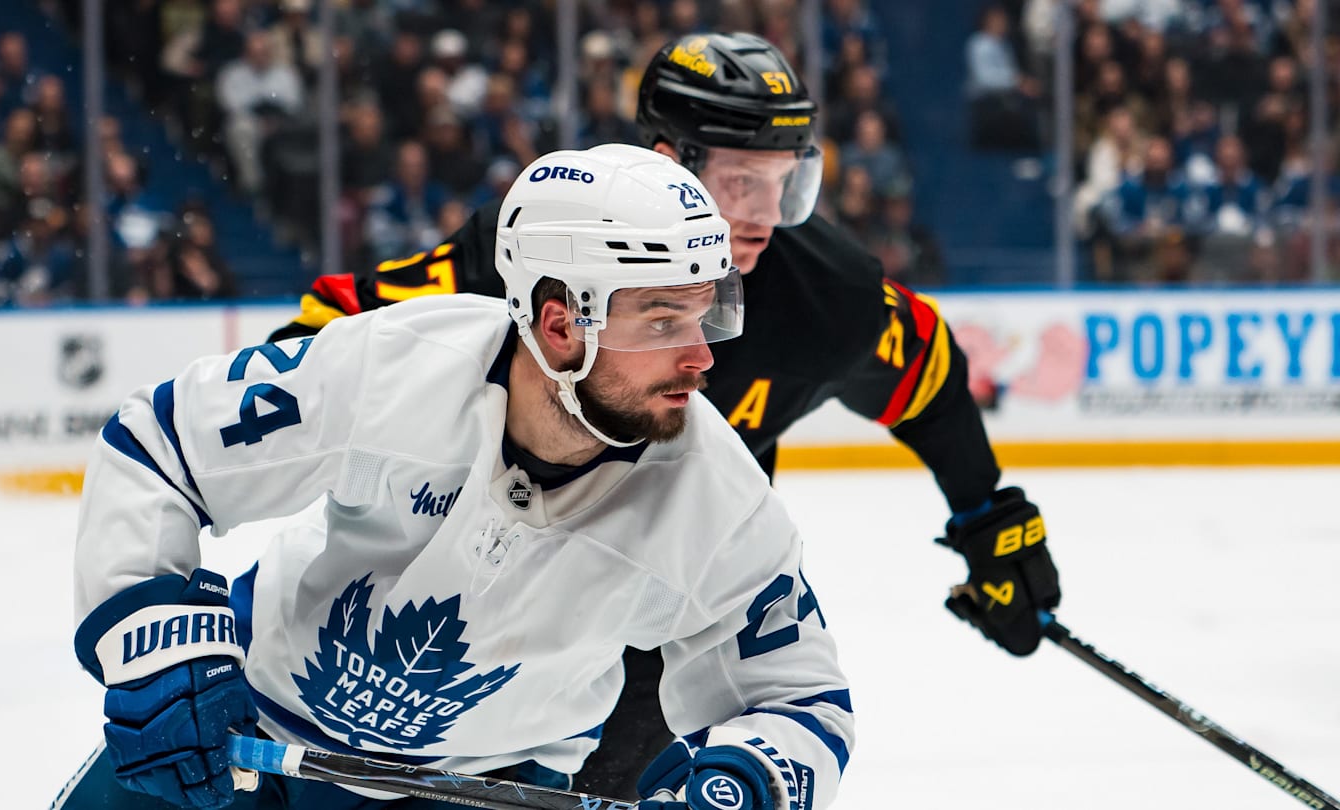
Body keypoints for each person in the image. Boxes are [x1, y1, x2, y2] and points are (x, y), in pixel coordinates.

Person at [269, 32, 1061, 799]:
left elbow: (926, 369)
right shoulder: (557, 239)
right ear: (668, 162)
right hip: (508, 582)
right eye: (740, 181)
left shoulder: (826, 291)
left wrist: (986, 514)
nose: (763, 214)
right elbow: (340, 322)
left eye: (785, 182)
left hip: (683, 590)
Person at [53, 144, 853, 810]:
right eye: (663, 320)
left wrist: (745, 781)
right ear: (561, 322)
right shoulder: (396, 366)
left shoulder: (720, 501)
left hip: (483, 794)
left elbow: (800, 698)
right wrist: (155, 643)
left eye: (705, 312)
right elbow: (163, 441)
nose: (704, 355)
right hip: (242, 744)